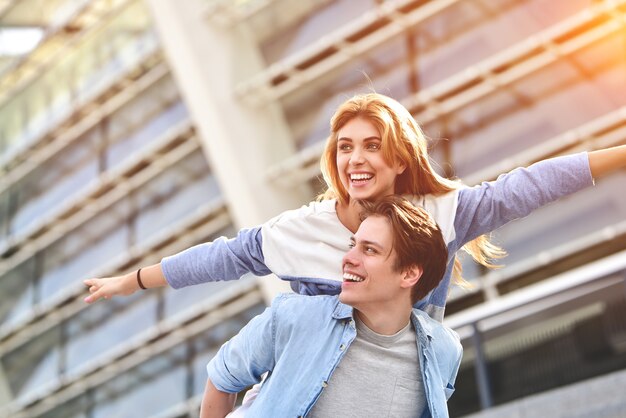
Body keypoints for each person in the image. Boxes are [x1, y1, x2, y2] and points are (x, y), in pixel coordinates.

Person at [84, 93, 626, 322]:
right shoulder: (297, 232)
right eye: (345, 147)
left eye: (371, 145)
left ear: (399, 159)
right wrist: (132, 280)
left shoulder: (440, 215)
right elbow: (222, 258)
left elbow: (531, 185)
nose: (356, 158)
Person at [200, 196, 462, 418]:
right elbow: (222, 378)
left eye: (369, 250)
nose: (348, 258)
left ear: (409, 274)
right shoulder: (294, 317)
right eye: (352, 246)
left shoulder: (443, 351)